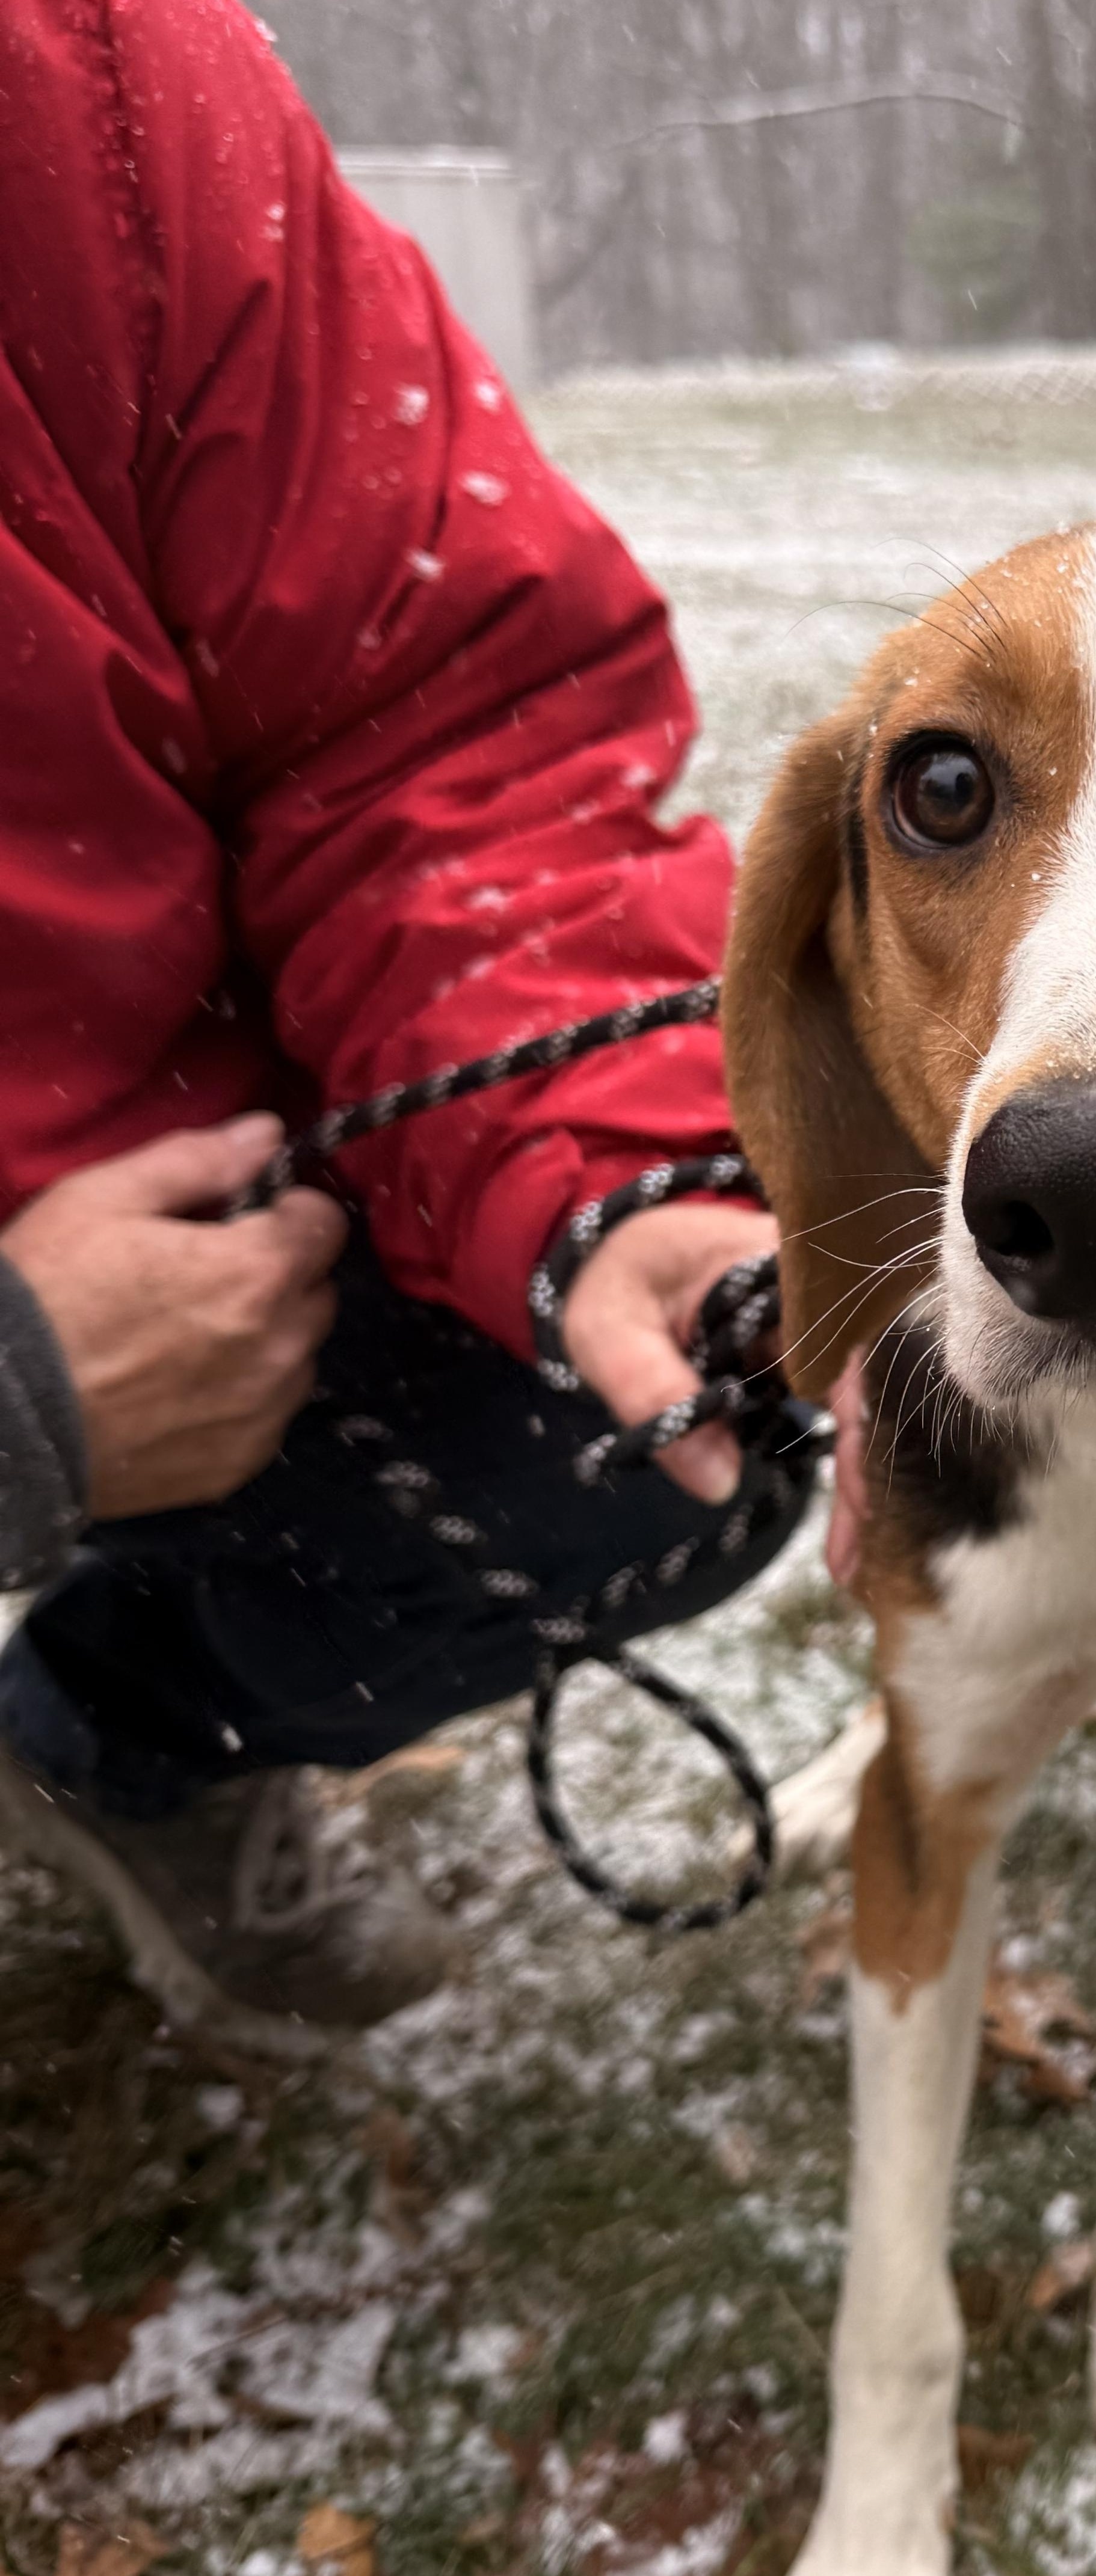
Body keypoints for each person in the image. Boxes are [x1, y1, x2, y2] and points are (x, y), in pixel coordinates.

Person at [0, 0, 812, 2044]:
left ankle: (112, 1746)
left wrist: (599, 1169)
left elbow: (423, 725)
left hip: (190, 1201)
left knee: (660, 1426)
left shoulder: (91, 94)